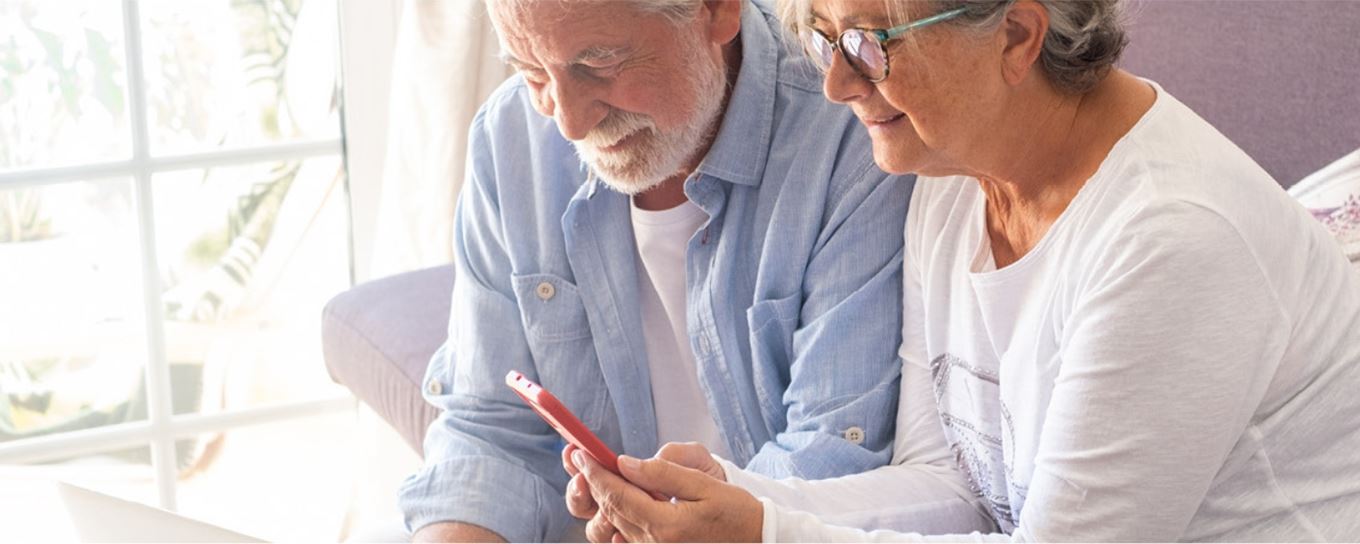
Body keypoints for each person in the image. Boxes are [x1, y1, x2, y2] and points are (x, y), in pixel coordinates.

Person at [566, 0, 1360, 541]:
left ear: (1017, 35)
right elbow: (954, 486)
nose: (837, 83)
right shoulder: (953, 180)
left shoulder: (1170, 240)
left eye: (871, 41)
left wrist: (765, 532)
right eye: (822, 36)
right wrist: (726, 499)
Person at [398, 0, 920, 541]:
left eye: (598, 65)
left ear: (718, 11)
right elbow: (488, 433)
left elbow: (831, 457)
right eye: (532, 73)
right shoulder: (511, 138)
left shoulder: (853, 133)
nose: (569, 123)